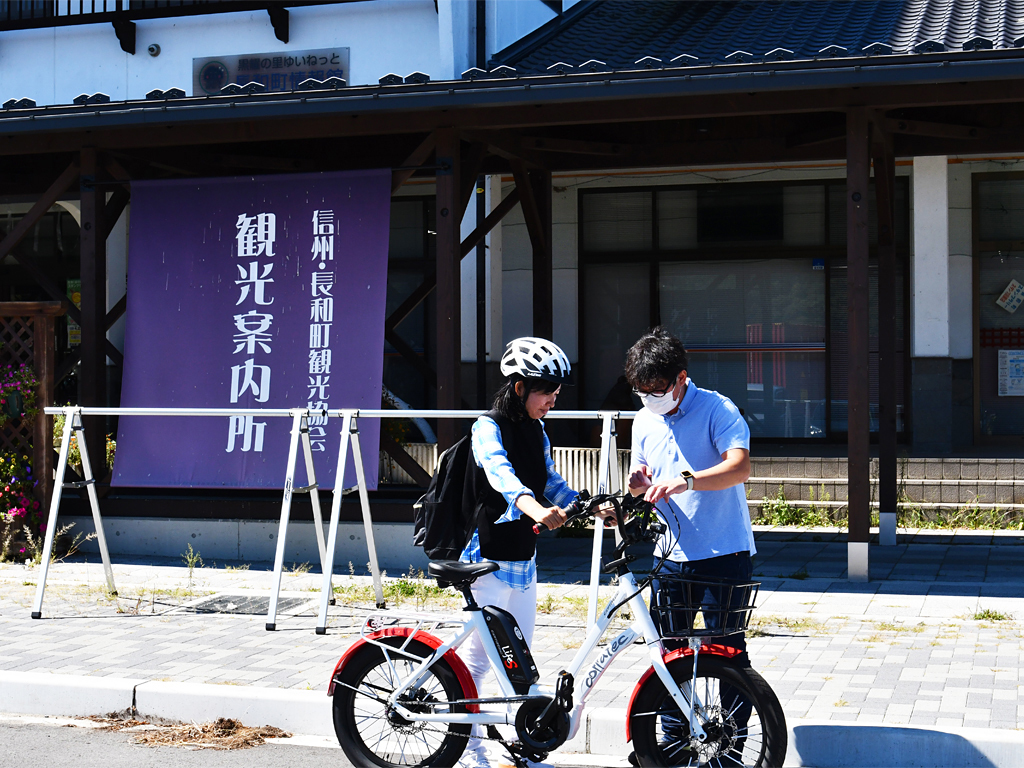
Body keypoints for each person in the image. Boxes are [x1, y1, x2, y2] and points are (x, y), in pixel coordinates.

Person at [624, 326, 755, 766]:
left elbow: (738, 467)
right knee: (671, 654)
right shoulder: (645, 417)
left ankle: (732, 750)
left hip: (725, 552)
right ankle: (675, 745)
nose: (650, 398)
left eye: (657, 390)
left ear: (681, 378)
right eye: (641, 391)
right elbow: (642, 472)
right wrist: (638, 483)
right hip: (671, 555)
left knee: (729, 653)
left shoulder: (718, 407)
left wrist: (688, 480)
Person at [457, 337, 578, 768]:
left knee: (520, 663)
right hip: (486, 556)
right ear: (521, 386)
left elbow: (549, 478)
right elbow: (503, 476)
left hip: (523, 558)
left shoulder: (536, 429)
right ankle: (468, 751)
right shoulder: (487, 426)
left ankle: (526, 749)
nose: (553, 400)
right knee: (475, 663)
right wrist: (535, 508)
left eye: (557, 392)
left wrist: (589, 504)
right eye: (547, 391)